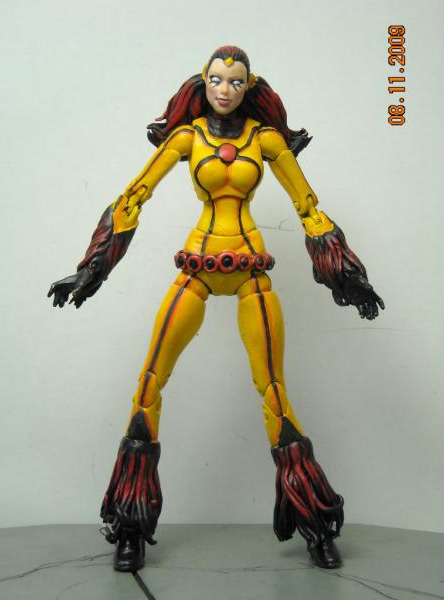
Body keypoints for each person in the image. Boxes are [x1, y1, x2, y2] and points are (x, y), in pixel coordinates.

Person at [48, 45, 384, 572]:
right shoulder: (187, 138)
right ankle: (131, 526)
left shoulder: (266, 141)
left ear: (250, 87)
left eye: (236, 81)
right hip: (198, 266)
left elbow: (308, 207)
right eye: (216, 80)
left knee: (274, 393)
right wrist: (91, 268)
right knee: (149, 383)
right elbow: (134, 197)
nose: (225, 89)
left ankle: (316, 524)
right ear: (202, 83)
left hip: (251, 270)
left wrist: (348, 275)